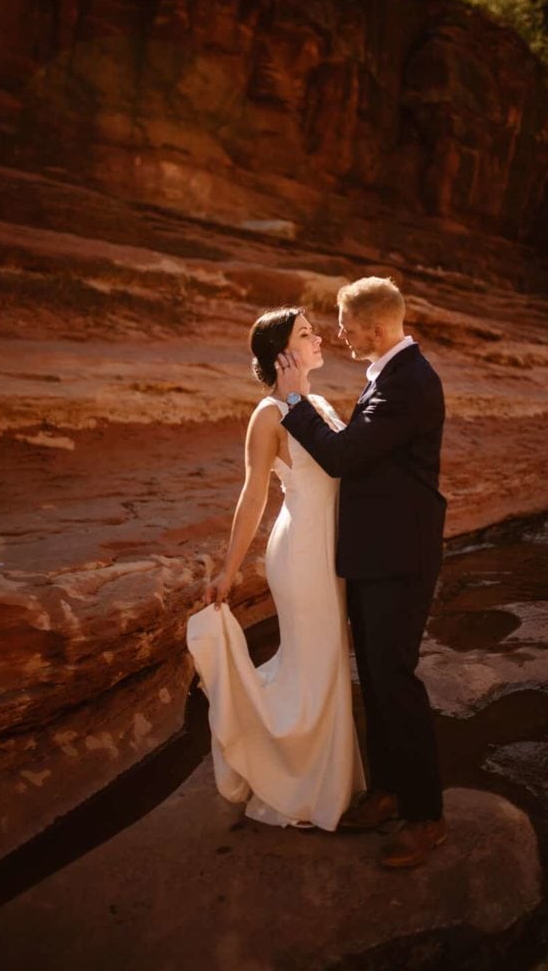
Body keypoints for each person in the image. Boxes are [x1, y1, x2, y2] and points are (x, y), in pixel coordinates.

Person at [275, 275, 447, 868]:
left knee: (396, 679)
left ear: (376, 327)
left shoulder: (411, 384)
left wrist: (293, 400)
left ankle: (426, 816)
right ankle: (388, 791)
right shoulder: (388, 376)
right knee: (375, 678)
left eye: (347, 326)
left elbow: (346, 457)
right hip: (377, 553)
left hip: (402, 556)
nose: (339, 334)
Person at [187, 307, 365, 831]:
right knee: (312, 668)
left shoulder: (319, 403)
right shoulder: (267, 414)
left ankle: (324, 783)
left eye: (312, 332)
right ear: (281, 355)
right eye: (306, 335)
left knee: (327, 665)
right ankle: (299, 790)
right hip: (301, 552)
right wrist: (228, 571)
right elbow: (253, 495)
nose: (318, 339)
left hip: (331, 551)